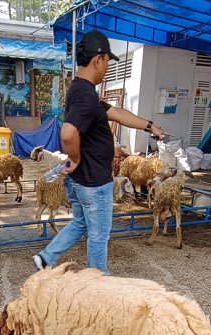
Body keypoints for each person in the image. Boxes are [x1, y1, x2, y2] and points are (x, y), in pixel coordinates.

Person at [33, 30, 172, 275]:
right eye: (107, 61)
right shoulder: (85, 95)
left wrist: (151, 126)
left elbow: (116, 113)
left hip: (81, 182)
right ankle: (98, 281)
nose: (107, 67)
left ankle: (45, 257)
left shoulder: (81, 90)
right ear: (98, 59)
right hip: (94, 183)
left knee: (81, 223)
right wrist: (74, 159)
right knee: (99, 235)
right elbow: (68, 133)